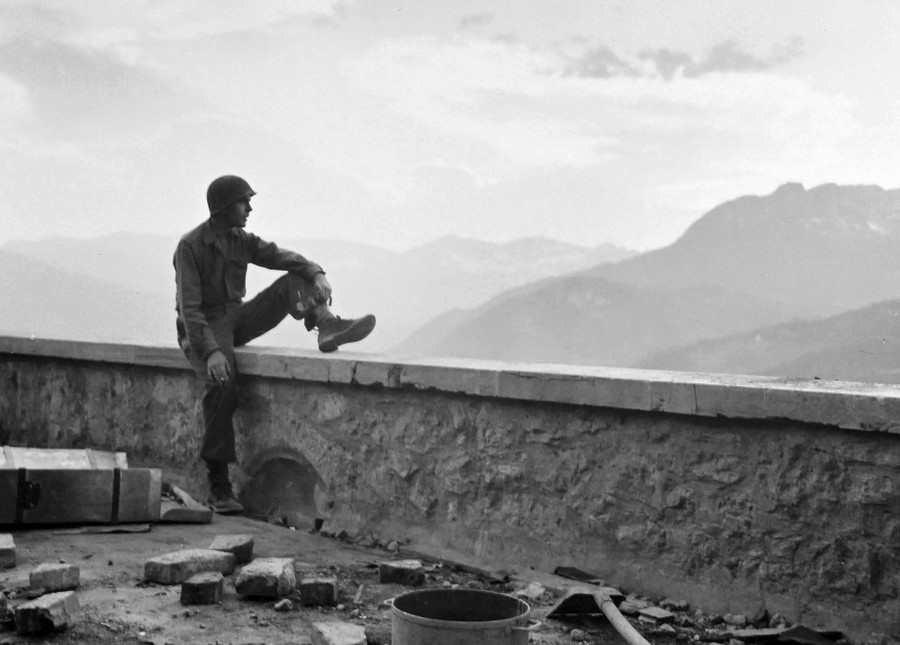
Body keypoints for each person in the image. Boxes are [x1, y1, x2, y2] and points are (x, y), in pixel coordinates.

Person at [173, 175, 375, 514]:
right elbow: (190, 309)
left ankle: (325, 324)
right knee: (222, 385)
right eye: (243, 202)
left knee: (292, 279)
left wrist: (315, 272)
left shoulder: (241, 240)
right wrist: (211, 352)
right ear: (224, 207)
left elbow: (279, 256)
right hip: (203, 326)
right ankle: (219, 485)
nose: (249, 208)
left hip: (234, 318)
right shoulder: (190, 246)